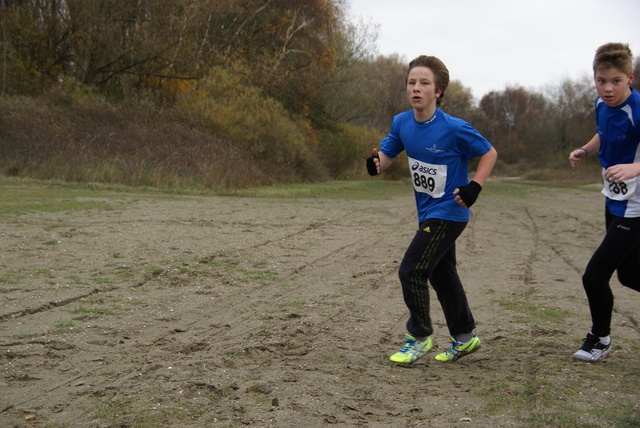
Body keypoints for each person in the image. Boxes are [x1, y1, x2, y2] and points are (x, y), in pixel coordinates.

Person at [366, 55, 497, 363]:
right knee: (442, 274)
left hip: (450, 212)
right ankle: (465, 337)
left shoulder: (454, 128)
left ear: (438, 91)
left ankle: (419, 336)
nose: (416, 88)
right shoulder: (401, 123)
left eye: (424, 83)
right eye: (412, 82)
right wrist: (374, 166)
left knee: (411, 270)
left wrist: (474, 186)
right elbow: (384, 157)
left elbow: (489, 153)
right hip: (427, 212)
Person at [568, 42, 640, 363]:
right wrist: (585, 149)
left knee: (594, 276)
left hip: (637, 207)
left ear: (630, 78)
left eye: (616, 81)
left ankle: (600, 339)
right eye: (601, 81)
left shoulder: (638, 109)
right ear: (594, 78)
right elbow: (603, 134)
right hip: (614, 201)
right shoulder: (600, 104)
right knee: (630, 276)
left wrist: (634, 168)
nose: (608, 89)